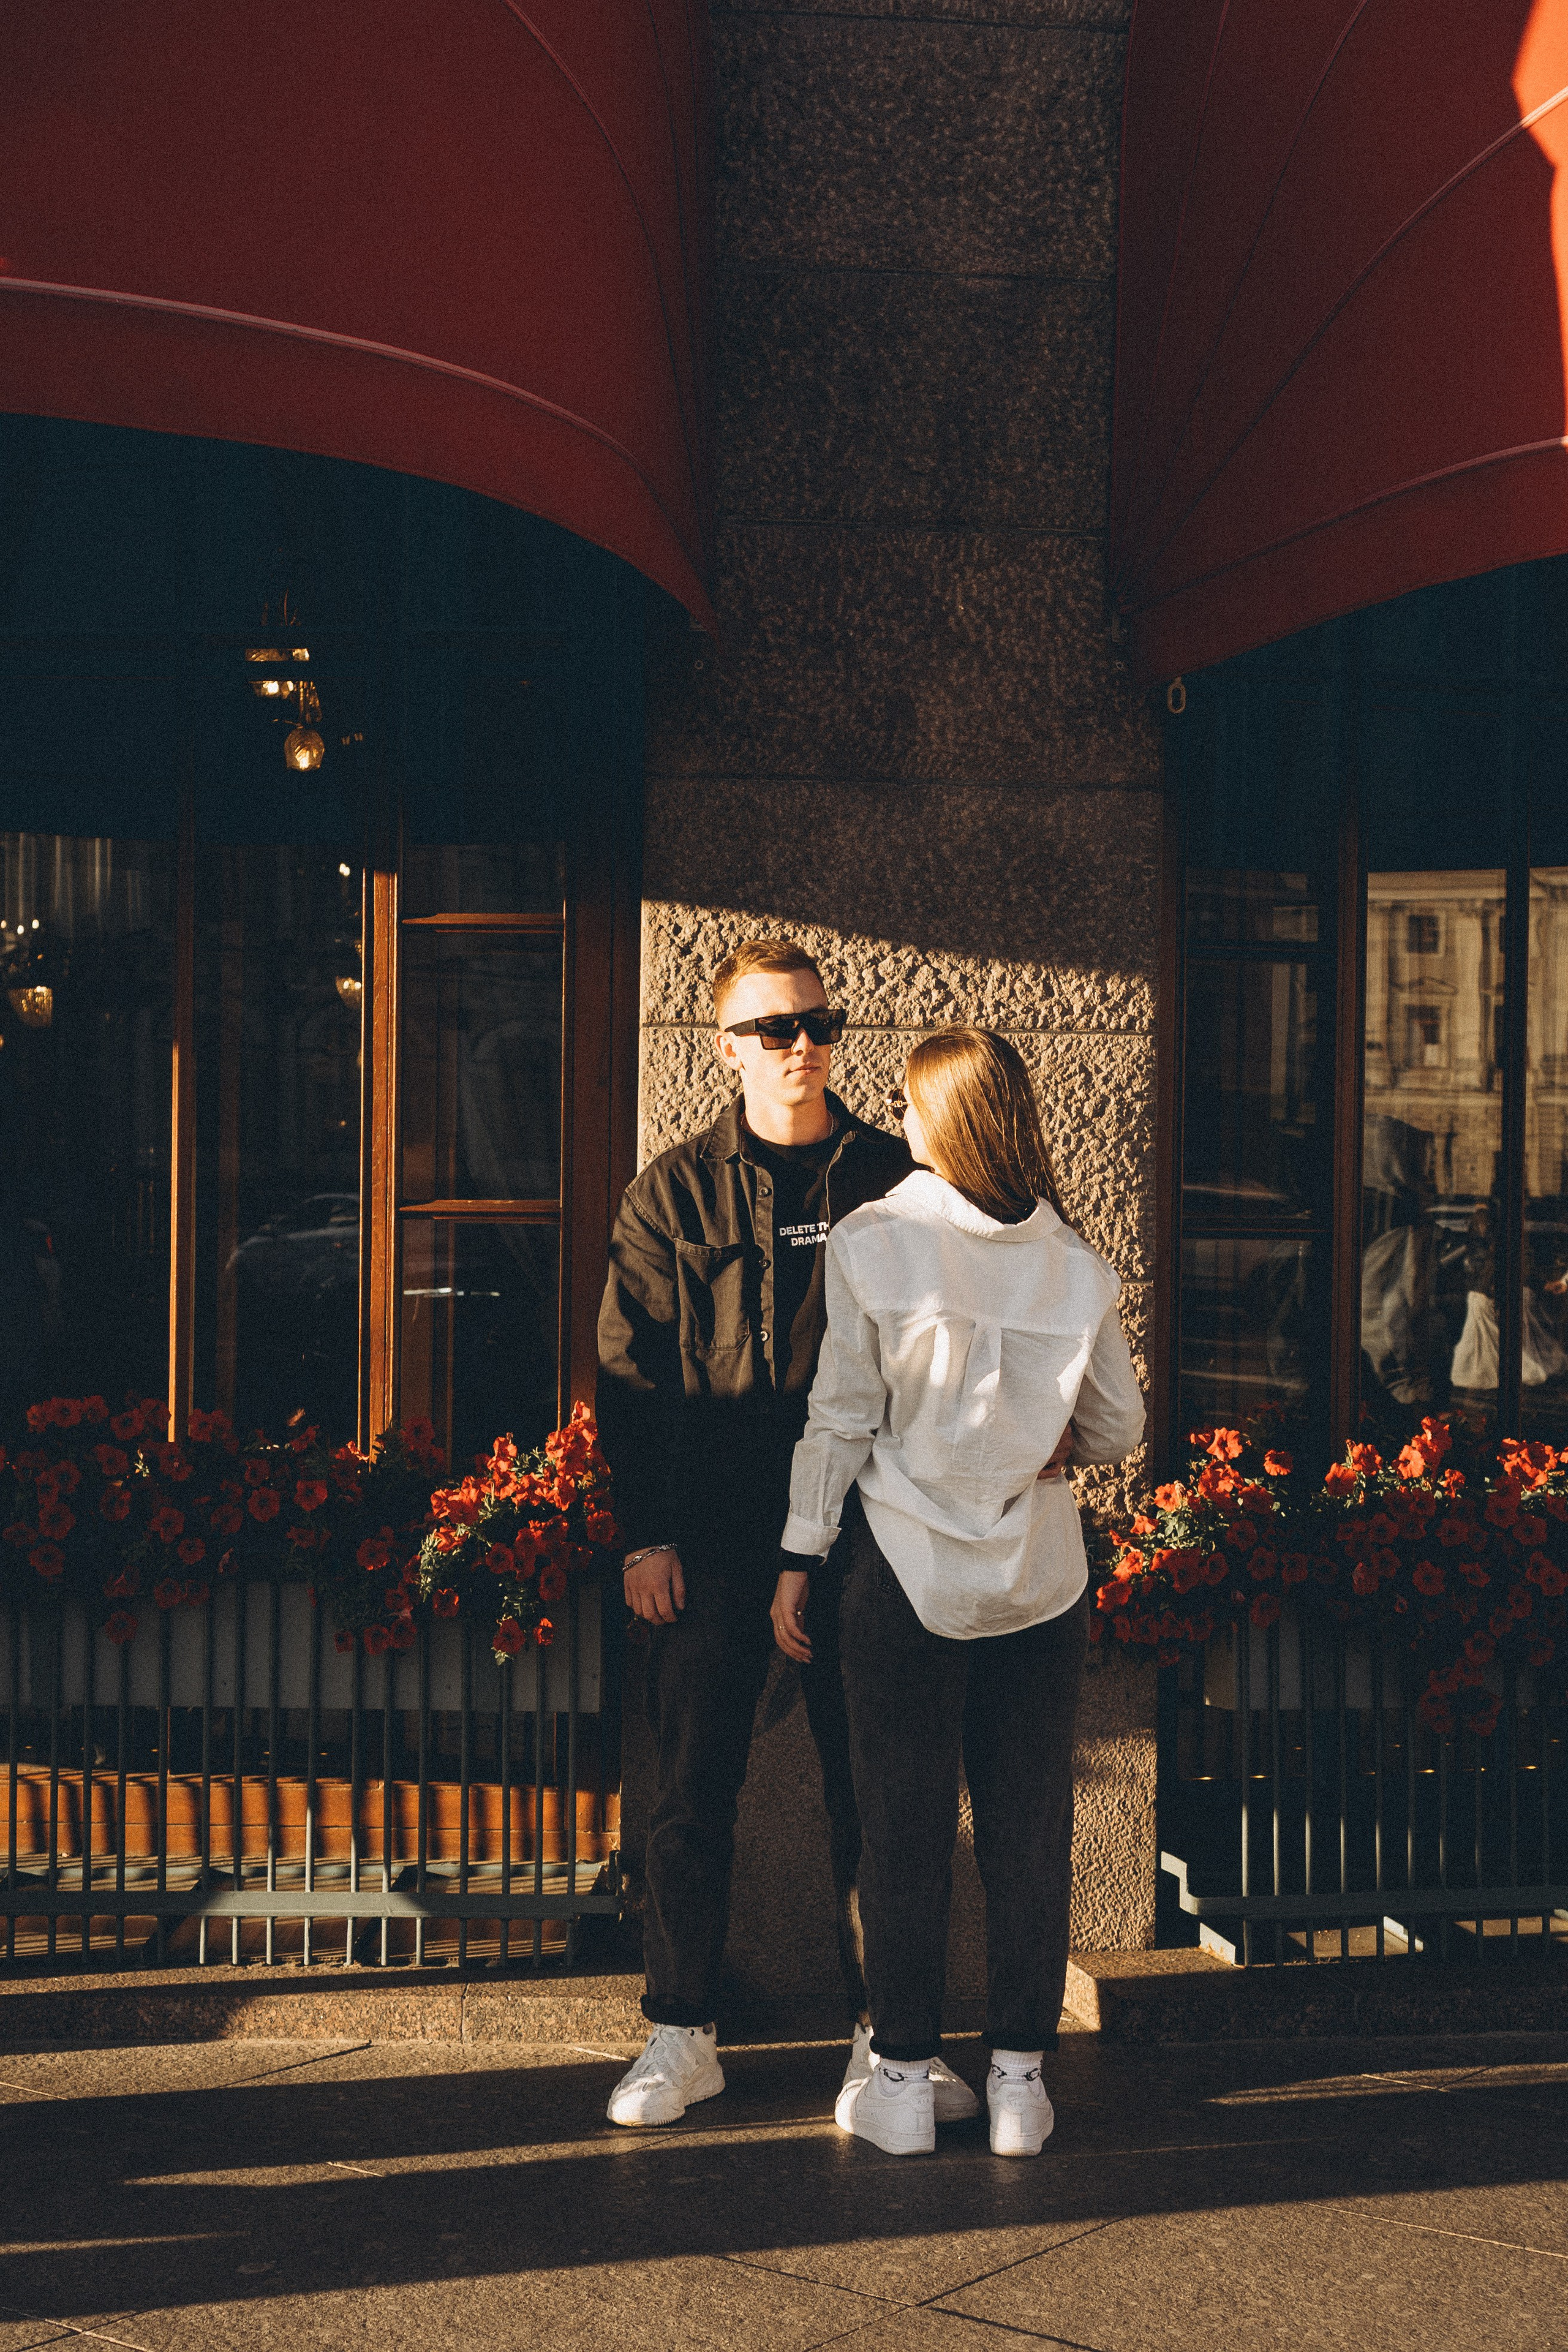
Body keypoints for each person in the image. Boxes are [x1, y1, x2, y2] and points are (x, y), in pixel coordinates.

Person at [596, 938, 978, 2131]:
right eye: (773, 1029)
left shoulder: (891, 1177)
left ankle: (886, 2046)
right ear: (727, 1048)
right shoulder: (672, 1192)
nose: (801, 1045)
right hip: (709, 1538)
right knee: (688, 1790)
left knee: (873, 1790)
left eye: (816, 1023)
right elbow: (630, 1371)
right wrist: (645, 1532)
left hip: (863, 1530)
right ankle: (679, 2031)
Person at [773, 1027, 1144, 2157]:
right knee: (1030, 1829)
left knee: (904, 1827)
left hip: (903, 1569)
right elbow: (1122, 1425)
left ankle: (901, 2078)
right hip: (1040, 1580)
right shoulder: (1075, 1266)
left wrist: (800, 1554)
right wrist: (1049, 1447)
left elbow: (840, 1415)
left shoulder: (875, 1238)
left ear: (935, 1115)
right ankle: (1022, 2084)